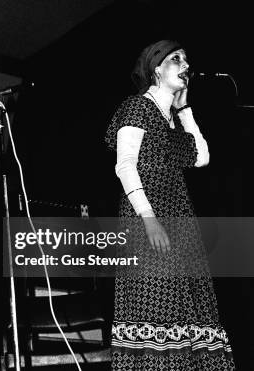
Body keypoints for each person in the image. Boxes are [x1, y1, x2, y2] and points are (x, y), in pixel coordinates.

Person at [105, 40, 234, 370]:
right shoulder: (137, 107)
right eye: (176, 59)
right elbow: (125, 165)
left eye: (186, 59)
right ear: (156, 69)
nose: (185, 65)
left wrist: (185, 108)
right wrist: (148, 219)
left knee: (188, 306)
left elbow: (202, 157)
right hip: (148, 219)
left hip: (178, 218)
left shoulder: (170, 120)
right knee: (156, 304)